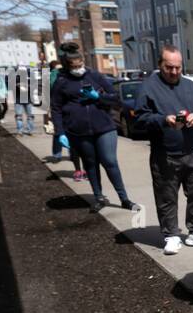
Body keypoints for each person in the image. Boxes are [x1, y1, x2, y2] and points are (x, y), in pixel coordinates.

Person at [132, 45, 193, 255]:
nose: (175, 72)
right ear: (160, 65)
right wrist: (163, 120)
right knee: (166, 195)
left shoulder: (189, 85)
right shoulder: (148, 87)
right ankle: (171, 234)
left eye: (178, 67)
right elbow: (139, 119)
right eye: (169, 68)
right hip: (164, 153)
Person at [49, 47, 137, 213]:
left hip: (104, 127)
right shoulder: (62, 81)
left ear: (83, 61)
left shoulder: (95, 76)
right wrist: (60, 132)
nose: (78, 69)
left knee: (110, 161)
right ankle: (98, 197)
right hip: (78, 130)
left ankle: (124, 198)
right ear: (67, 66)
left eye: (80, 64)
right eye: (74, 67)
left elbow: (115, 98)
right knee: (90, 163)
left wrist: (98, 97)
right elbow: (56, 108)